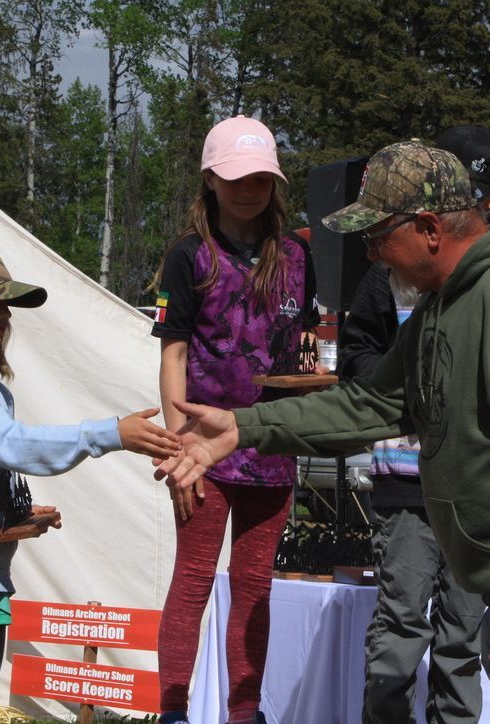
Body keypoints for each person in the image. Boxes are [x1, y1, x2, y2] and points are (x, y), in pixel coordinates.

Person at [155, 141, 490, 724]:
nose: (371, 255)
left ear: (427, 227)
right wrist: (242, 426)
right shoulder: (445, 302)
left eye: (376, 237)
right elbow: (371, 403)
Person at [0, 243, 181, 724]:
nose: (4, 315)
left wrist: (15, 516)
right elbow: (11, 444)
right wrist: (107, 433)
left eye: (6, 305)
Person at [149, 115, 320, 724]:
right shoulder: (189, 256)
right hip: (202, 448)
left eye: (260, 178)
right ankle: (172, 711)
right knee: (193, 577)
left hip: (272, 443)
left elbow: (304, 344)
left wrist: (311, 382)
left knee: (254, 587)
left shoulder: (299, 253)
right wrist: (176, 447)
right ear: (210, 180)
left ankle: (243, 715)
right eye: (235, 177)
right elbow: (171, 354)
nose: (248, 189)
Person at [339, 125, 490, 724]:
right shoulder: (383, 275)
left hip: (472, 492)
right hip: (405, 485)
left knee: (464, 632)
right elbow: (355, 356)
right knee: (401, 623)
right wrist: (408, 386)